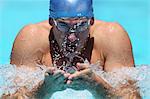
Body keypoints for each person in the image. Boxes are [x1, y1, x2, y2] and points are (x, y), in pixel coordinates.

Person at [8, 0, 141, 98]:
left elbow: (131, 96)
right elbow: (13, 96)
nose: (72, 37)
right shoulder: (31, 38)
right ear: (51, 22)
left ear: (92, 21)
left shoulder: (112, 37)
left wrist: (97, 86)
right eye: (63, 25)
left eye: (81, 25)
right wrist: (44, 91)